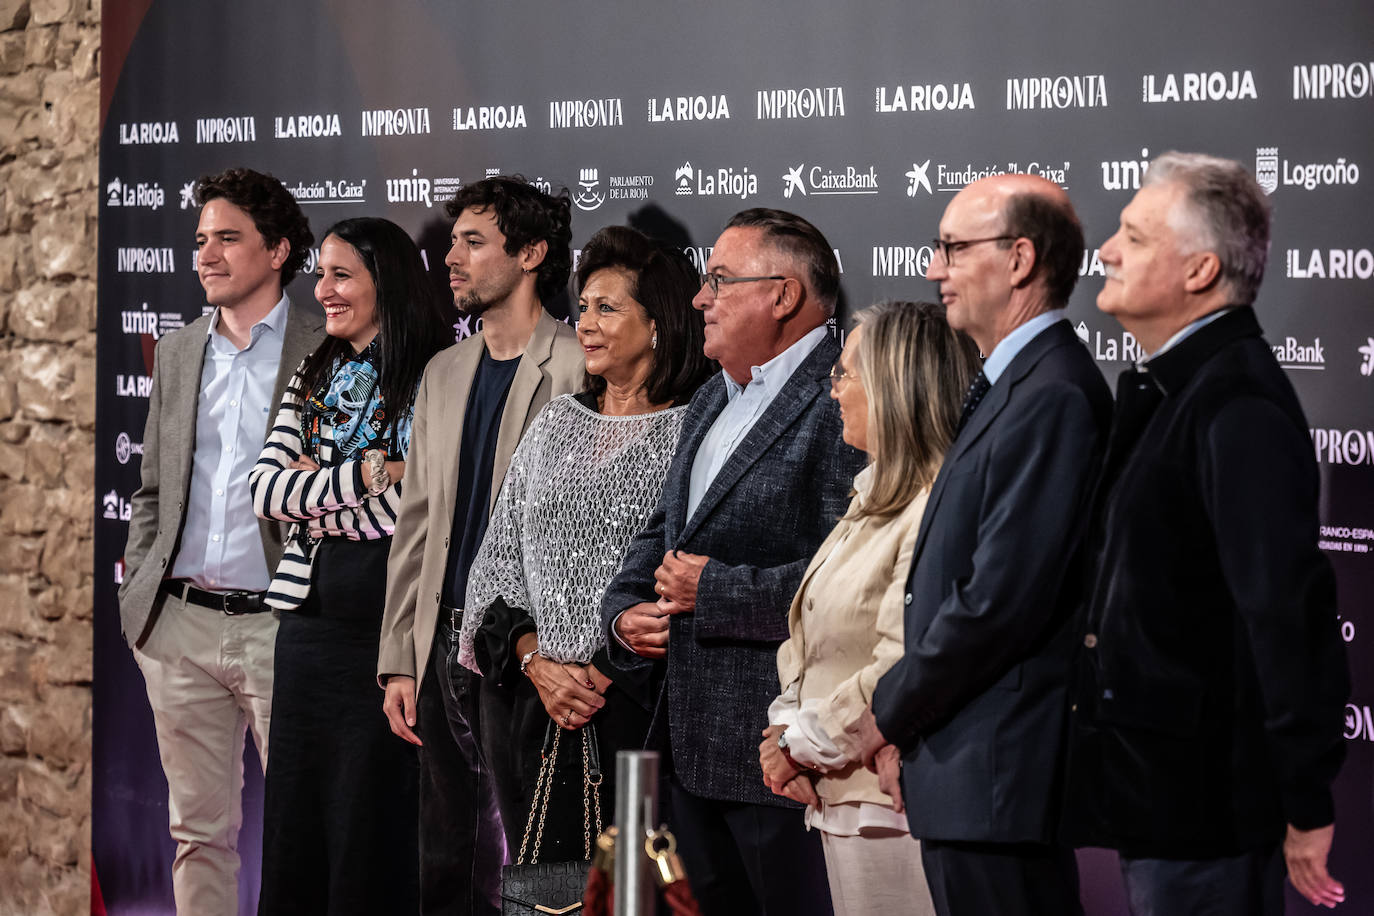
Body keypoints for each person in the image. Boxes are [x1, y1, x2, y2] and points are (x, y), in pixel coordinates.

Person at [1061, 151, 1350, 915]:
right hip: (1161, 804)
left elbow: (1285, 617)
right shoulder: (1180, 385)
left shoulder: (1237, 403)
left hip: (1206, 815)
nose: (1107, 252)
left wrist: (1305, 800)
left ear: (1200, 271)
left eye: (1135, 236)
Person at [857, 174, 1113, 916]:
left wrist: (892, 711)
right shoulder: (1012, 385)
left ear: (1020, 259)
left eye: (952, 248)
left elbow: (1000, 600)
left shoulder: (1053, 393)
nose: (934, 268)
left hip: (999, 777)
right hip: (965, 770)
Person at [600, 208, 866, 916]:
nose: (698, 299)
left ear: (782, 295)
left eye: (718, 279)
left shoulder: (847, 397)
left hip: (780, 758)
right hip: (683, 751)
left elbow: (852, 578)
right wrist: (624, 614)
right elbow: (659, 534)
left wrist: (714, 592)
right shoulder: (712, 396)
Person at [456, 225, 714, 862]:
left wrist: (598, 675)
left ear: (658, 325)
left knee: (633, 893)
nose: (587, 324)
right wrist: (533, 661)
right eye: (584, 307)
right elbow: (498, 565)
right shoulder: (556, 421)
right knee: (543, 893)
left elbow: (677, 578)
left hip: (636, 714)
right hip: (532, 706)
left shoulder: (695, 431)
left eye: (608, 308)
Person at [117, 167, 324, 916]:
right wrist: (140, 598)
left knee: (306, 834)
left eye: (227, 239)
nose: (205, 254)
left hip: (284, 627)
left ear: (277, 251)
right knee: (197, 835)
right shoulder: (177, 353)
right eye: (200, 239)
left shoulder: (327, 349)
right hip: (179, 626)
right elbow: (152, 491)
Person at [376, 175, 584, 915]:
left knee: (539, 859)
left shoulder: (578, 365)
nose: (452, 259)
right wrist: (399, 656)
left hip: (528, 652)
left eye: (473, 242)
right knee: (447, 854)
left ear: (530, 253)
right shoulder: (443, 371)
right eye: (453, 241)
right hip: (440, 646)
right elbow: (419, 523)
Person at [248, 217, 450, 914]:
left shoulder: (434, 372)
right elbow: (266, 491)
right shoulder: (315, 368)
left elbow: (413, 511)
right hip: (306, 630)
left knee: (371, 832)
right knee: (296, 828)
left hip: (385, 635)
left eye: (341, 276)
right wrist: (367, 474)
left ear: (385, 283)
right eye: (320, 274)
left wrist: (326, 491)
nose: (323, 291)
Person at [760, 301, 979, 916]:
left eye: (845, 375)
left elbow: (902, 658)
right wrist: (785, 731)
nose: (834, 393)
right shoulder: (873, 493)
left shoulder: (933, 505)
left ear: (893, 386)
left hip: (893, 807)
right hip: (841, 799)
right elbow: (809, 639)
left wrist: (799, 740)